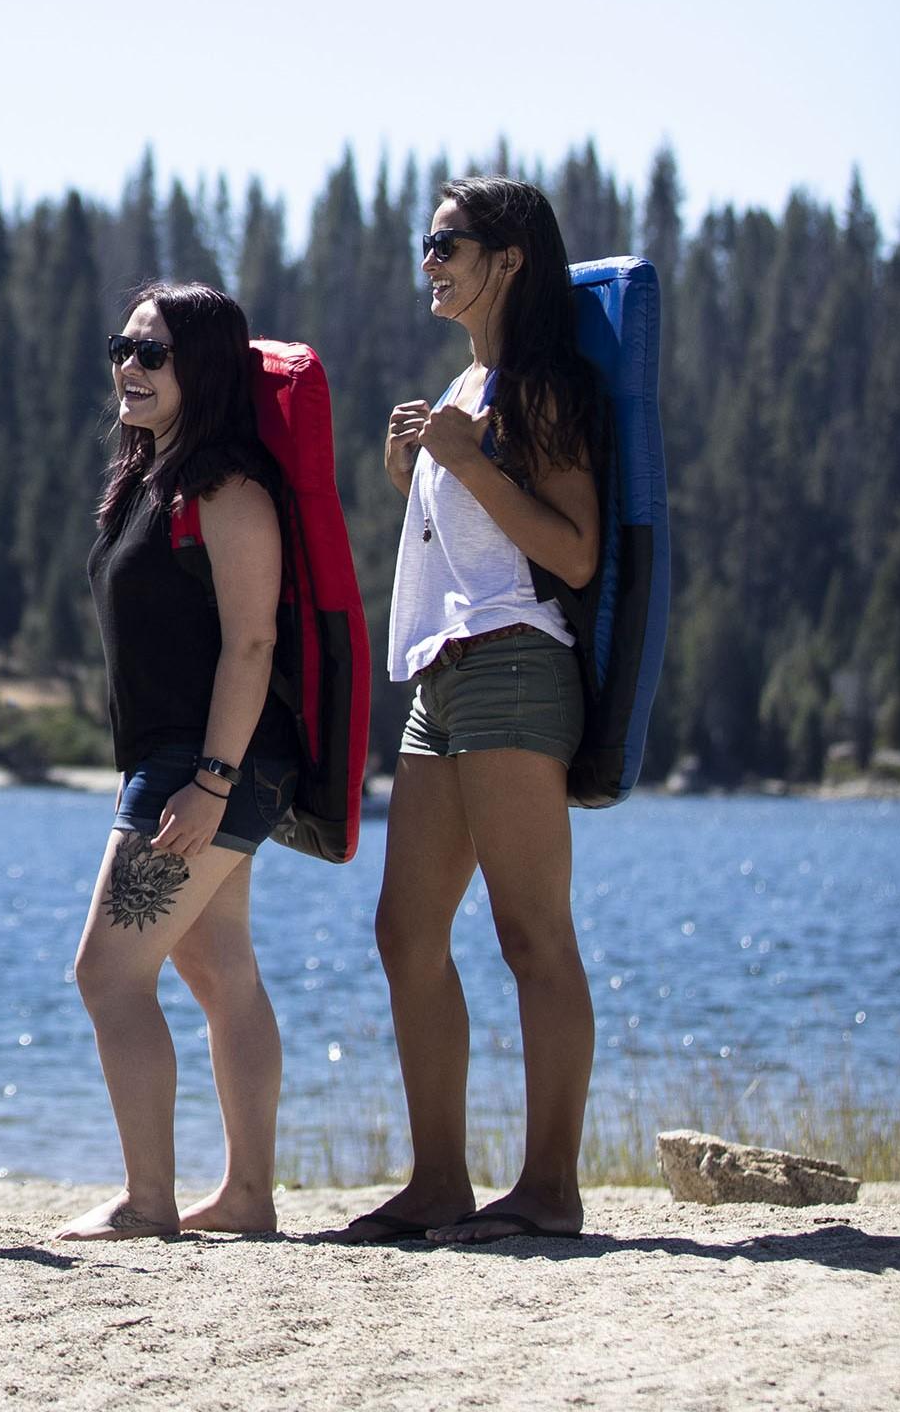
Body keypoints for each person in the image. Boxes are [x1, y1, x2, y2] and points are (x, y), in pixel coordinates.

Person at [341, 176, 602, 1247]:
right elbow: (474, 537)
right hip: (440, 676)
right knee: (405, 931)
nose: (431, 259)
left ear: (510, 258)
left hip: (512, 665)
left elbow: (572, 551)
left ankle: (550, 1188)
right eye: (427, 242)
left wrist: (464, 460)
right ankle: (440, 1181)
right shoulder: (471, 382)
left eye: (450, 243)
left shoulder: (539, 388)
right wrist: (425, 467)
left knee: (530, 932)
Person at [57, 282, 297, 1243]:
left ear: (201, 369)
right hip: (182, 761)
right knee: (218, 963)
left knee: (107, 975)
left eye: (153, 354)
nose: (130, 367)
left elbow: (251, 645)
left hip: (208, 764)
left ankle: (149, 1200)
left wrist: (211, 782)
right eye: (123, 347)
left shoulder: (226, 488)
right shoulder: (150, 480)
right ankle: (247, 1198)